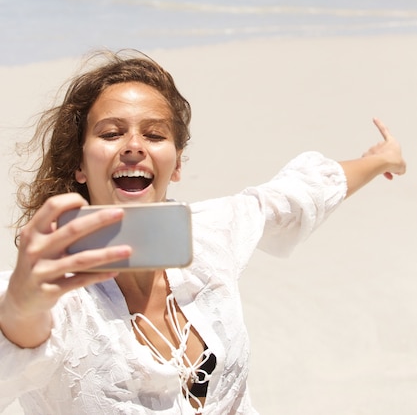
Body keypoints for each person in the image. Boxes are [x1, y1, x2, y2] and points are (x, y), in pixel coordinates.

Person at [0, 49, 406, 415]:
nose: (134, 145)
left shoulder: (208, 235)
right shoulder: (56, 293)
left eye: (155, 134)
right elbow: (20, 336)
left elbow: (295, 196)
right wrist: (21, 303)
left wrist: (380, 160)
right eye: (110, 133)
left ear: (176, 164)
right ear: (80, 166)